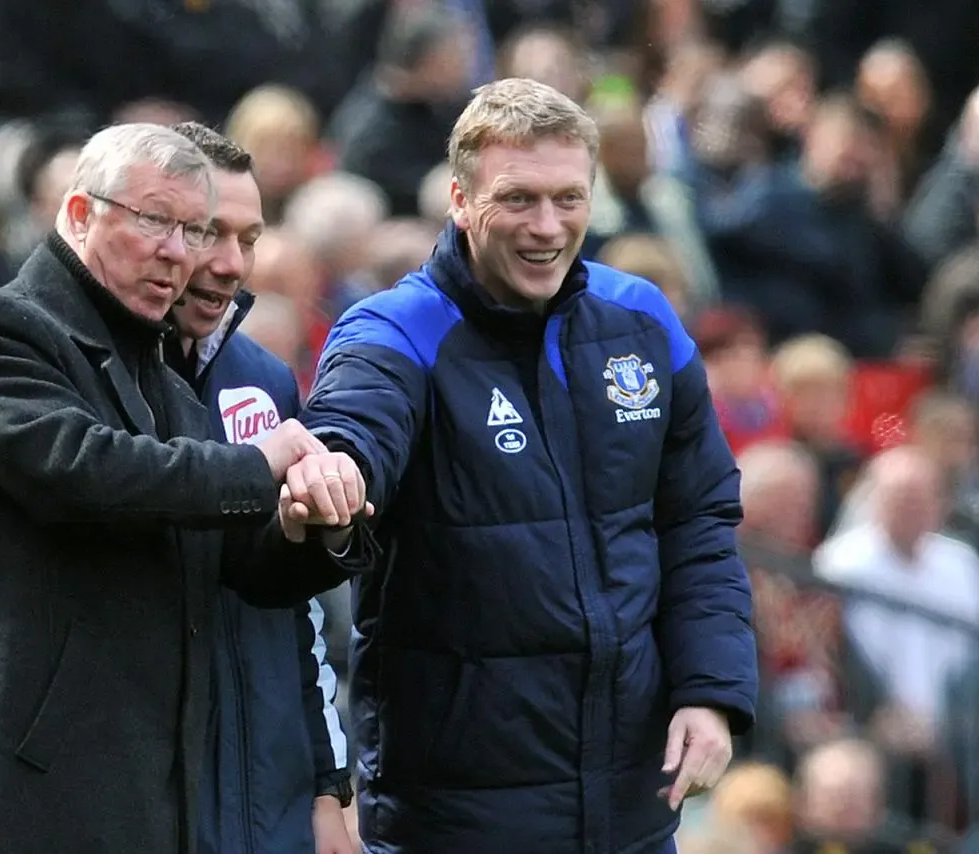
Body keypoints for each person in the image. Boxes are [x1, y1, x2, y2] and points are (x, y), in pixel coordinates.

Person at [302, 78, 758, 852]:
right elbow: (354, 431)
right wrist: (336, 470)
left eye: (568, 198)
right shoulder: (393, 331)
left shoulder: (642, 321)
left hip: (631, 809)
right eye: (517, 199)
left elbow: (699, 521)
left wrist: (711, 690)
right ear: (459, 198)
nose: (548, 226)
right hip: (456, 816)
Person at [0, 122, 375, 854]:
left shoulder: (164, 383)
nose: (180, 253)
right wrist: (261, 463)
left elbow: (238, 564)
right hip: (25, 796)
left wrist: (316, 523)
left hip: (146, 792)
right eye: (158, 221)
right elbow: (88, 472)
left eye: (193, 230)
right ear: (80, 213)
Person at [164, 121, 354, 854]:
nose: (230, 263)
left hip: (270, 790)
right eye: (211, 233)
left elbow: (298, 613)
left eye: (249, 238)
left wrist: (326, 784)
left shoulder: (264, 380)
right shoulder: (92, 374)